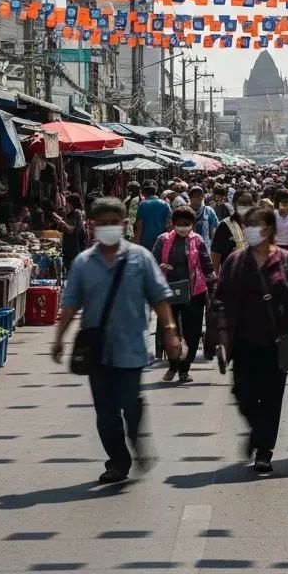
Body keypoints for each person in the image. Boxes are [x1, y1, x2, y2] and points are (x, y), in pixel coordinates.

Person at [51, 197, 181, 484]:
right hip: (97, 350)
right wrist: (59, 338)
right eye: (102, 223)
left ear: (125, 225)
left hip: (132, 347)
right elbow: (71, 304)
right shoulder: (84, 263)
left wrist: (170, 330)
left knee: (131, 403)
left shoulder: (141, 257)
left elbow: (159, 297)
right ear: (92, 226)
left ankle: (137, 439)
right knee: (105, 411)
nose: (109, 228)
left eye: (114, 223)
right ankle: (118, 461)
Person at [214, 204, 288, 474]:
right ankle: (257, 431)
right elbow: (220, 299)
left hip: (277, 341)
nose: (249, 229)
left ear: (269, 228)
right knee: (243, 394)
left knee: (271, 397)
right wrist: (221, 338)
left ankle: (264, 450)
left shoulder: (286, 260)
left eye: (255, 224)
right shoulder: (235, 260)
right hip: (243, 341)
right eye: (247, 224)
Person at [153, 205, 215, 383]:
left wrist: (213, 288)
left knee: (193, 332)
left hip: (194, 293)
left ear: (192, 224)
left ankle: (184, 369)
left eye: (186, 224)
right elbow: (152, 261)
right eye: (179, 223)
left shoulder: (198, 241)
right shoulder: (162, 240)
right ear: (173, 223)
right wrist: (160, 267)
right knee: (169, 329)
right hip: (168, 292)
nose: (183, 227)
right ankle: (173, 365)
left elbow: (207, 266)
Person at [210, 187, 255, 272]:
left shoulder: (256, 224)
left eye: (249, 204)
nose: (246, 207)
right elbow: (215, 254)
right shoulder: (225, 226)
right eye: (242, 204)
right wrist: (215, 277)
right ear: (234, 204)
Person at [134, 183, 171, 253]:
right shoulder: (165, 204)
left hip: (146, 240)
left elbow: (139, 225)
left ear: (144, 194)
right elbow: (169, 224)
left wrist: (137, 242)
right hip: (162, 239)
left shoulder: (142, 204)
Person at [187, 185, 219, 251]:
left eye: (199, 196)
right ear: (190, 197)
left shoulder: (208, 211)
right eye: (194, 196)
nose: (197, 198)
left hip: (205, 248)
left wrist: (214, 248)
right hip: (188, 248)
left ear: (202, 197)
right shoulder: (185, 211)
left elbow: (214, 229)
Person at [61, 193, 86, 272]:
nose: (65, 204)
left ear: (71, 203)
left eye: (67, 202)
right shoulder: (76, 213)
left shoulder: (77, 213)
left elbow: (72, 230)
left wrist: (62, 222)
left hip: (73, 246)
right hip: (73, 246)